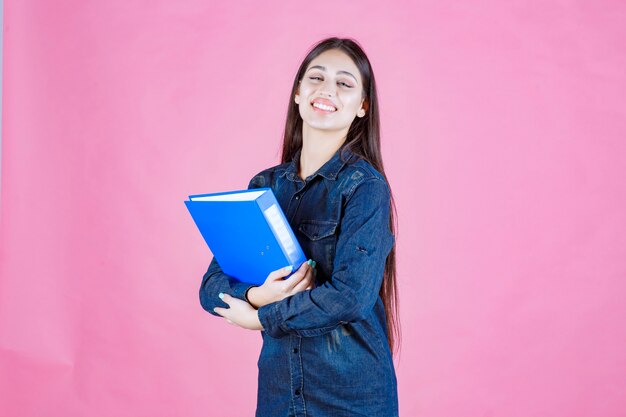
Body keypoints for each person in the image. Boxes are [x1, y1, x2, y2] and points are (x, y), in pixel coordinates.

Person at [199, 36, 400, 417]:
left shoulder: (365, 187)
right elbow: (211, 287)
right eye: (316, 77)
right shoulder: (264, 186)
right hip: (279, 393)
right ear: (297, 93)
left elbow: (350, 297)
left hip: (352, 398)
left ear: (362, 107)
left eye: (345, 83)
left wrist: (261, 317)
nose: (327, 90)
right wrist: (257, 296)